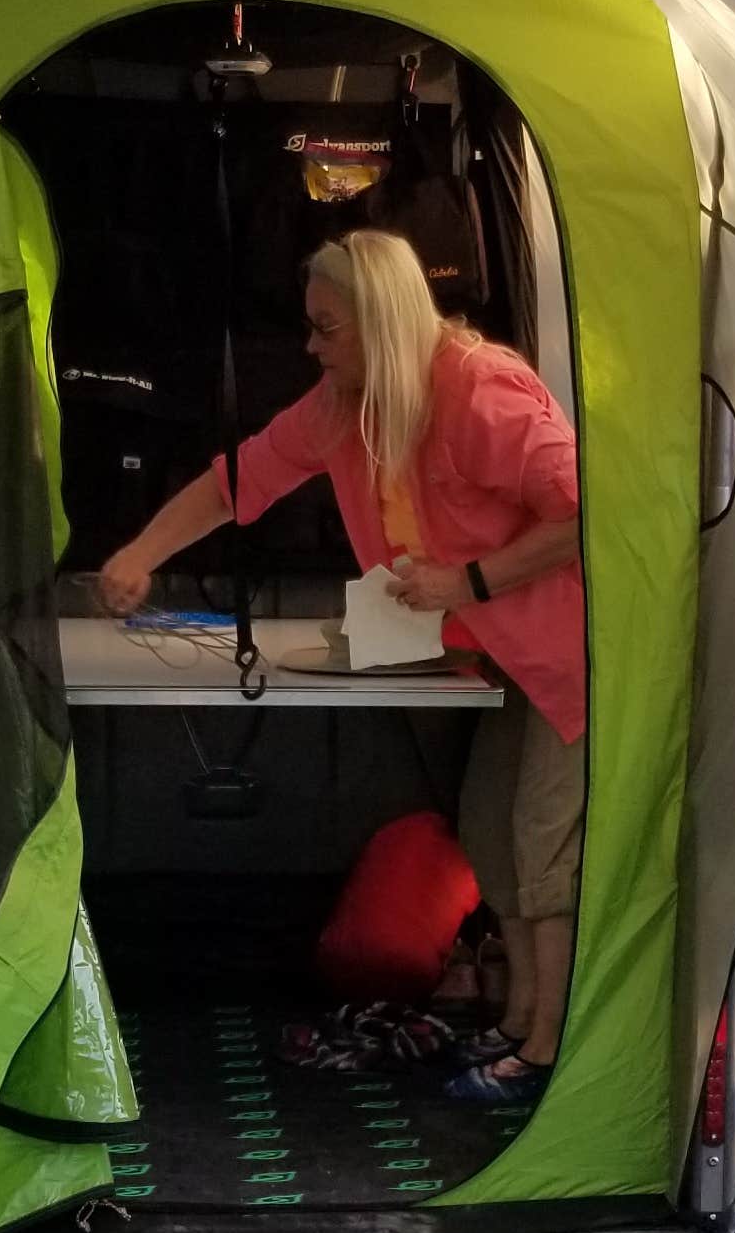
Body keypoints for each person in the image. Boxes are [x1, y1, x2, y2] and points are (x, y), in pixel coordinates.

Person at [96, 228, 586, 1107]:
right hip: (503, 659)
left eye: (327, 329)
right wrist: (140, 551)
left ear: (381, 322)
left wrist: (463, 581)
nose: (312, 347)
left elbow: (588, 513)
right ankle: (516, 1019)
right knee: (491, 835)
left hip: (574, 658)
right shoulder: (343, 404)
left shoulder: (481, 395)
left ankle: (549, 1052)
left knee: (545, 844)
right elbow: (235, 482)